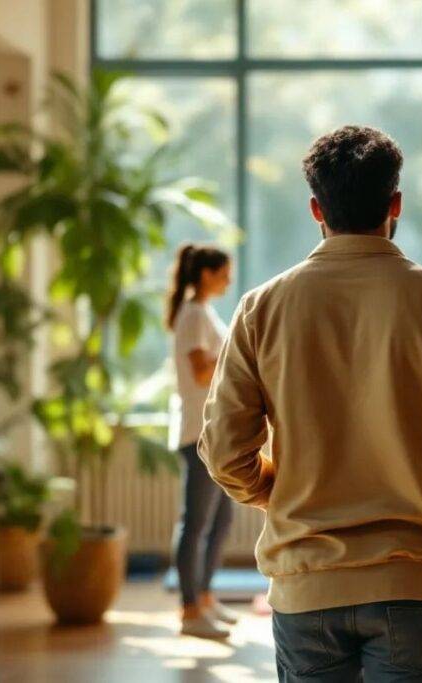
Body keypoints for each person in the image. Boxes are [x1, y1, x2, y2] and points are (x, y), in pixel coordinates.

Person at [198, 125, 422, 681]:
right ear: (395, 202)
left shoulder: (262, 308)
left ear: (314, 208)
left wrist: (283, 490)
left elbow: (226, 454)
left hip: (307, 581)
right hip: (418, 585)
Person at [165, 243, 241, 639]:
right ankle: (189, 609)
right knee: (195, 523)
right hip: (197, 433)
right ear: (207, 273)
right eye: (224, 272)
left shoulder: (202, 312)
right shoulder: (193, 314)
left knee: (221, 519)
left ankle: (205, 599)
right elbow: (199, 372)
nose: (229, 279)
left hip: (212, 431)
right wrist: (235, 352)